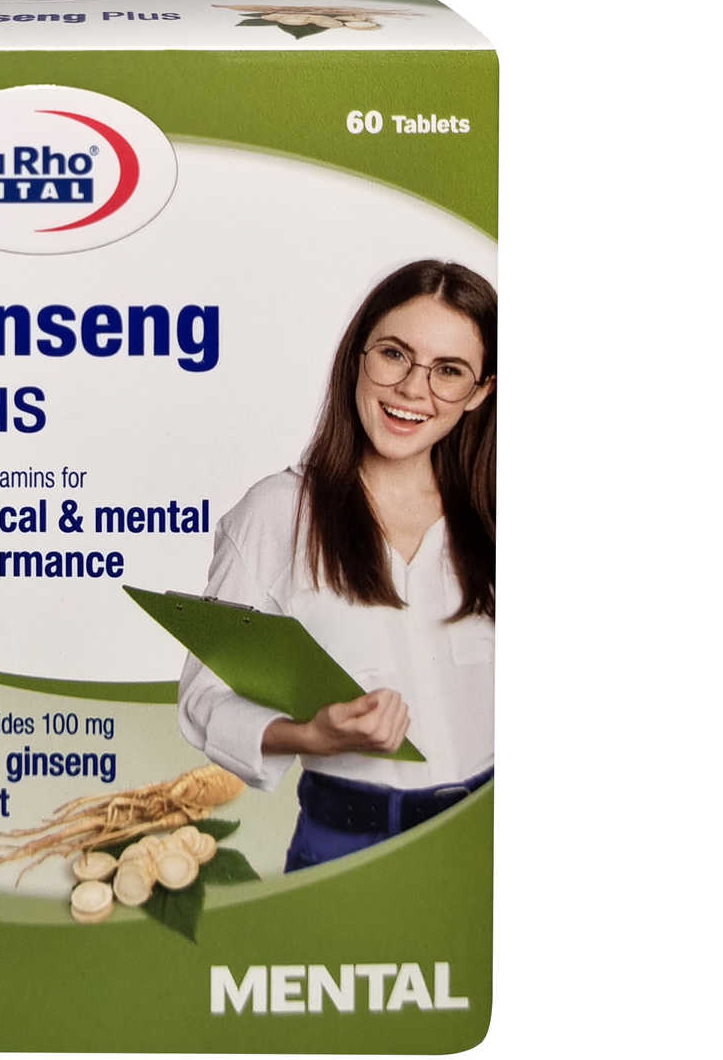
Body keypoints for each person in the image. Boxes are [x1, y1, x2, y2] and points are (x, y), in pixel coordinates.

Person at [177, 259, 496, 871]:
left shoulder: (496, 516)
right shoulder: (279, 513)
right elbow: (203, 697)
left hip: (483, 849)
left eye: (449, 371)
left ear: (481, 391)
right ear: (357, 357)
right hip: (341, 847)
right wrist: (309, 736)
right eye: (394, 355)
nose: (413, 390)